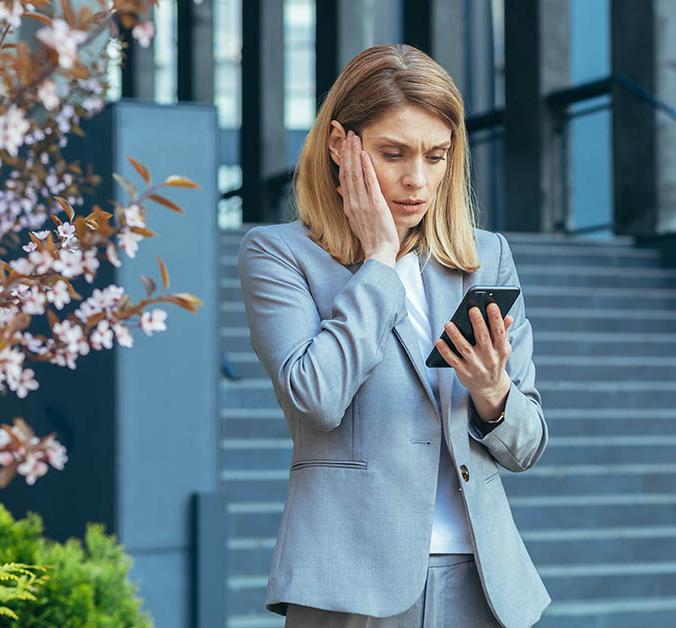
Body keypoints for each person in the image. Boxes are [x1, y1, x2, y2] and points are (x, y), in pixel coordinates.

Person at [237, 44, 551, 628]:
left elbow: (527, 445)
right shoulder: (279, 255)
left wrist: (492, 392)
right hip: (348, 582)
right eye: (393, 153)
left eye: (435, 157)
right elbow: (316, 399)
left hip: (483, 582)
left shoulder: (484, 258)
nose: (417, 180)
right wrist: (379, 261)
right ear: (340, 145)